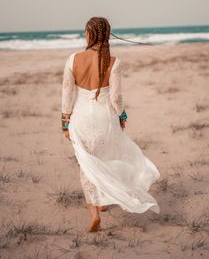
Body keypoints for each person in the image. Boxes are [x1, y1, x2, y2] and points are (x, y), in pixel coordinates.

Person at [61, 16, 160, 232]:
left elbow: (67, 94)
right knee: (104, 158)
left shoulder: (72, 60)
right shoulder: (114, 62)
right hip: (104, 118)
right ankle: (103, 200)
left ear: (89, 33)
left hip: (81, 120)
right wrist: (122, 117)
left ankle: (95, 212)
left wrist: (65, 123)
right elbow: (116, 98)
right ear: (106, 35)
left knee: (86, 165)